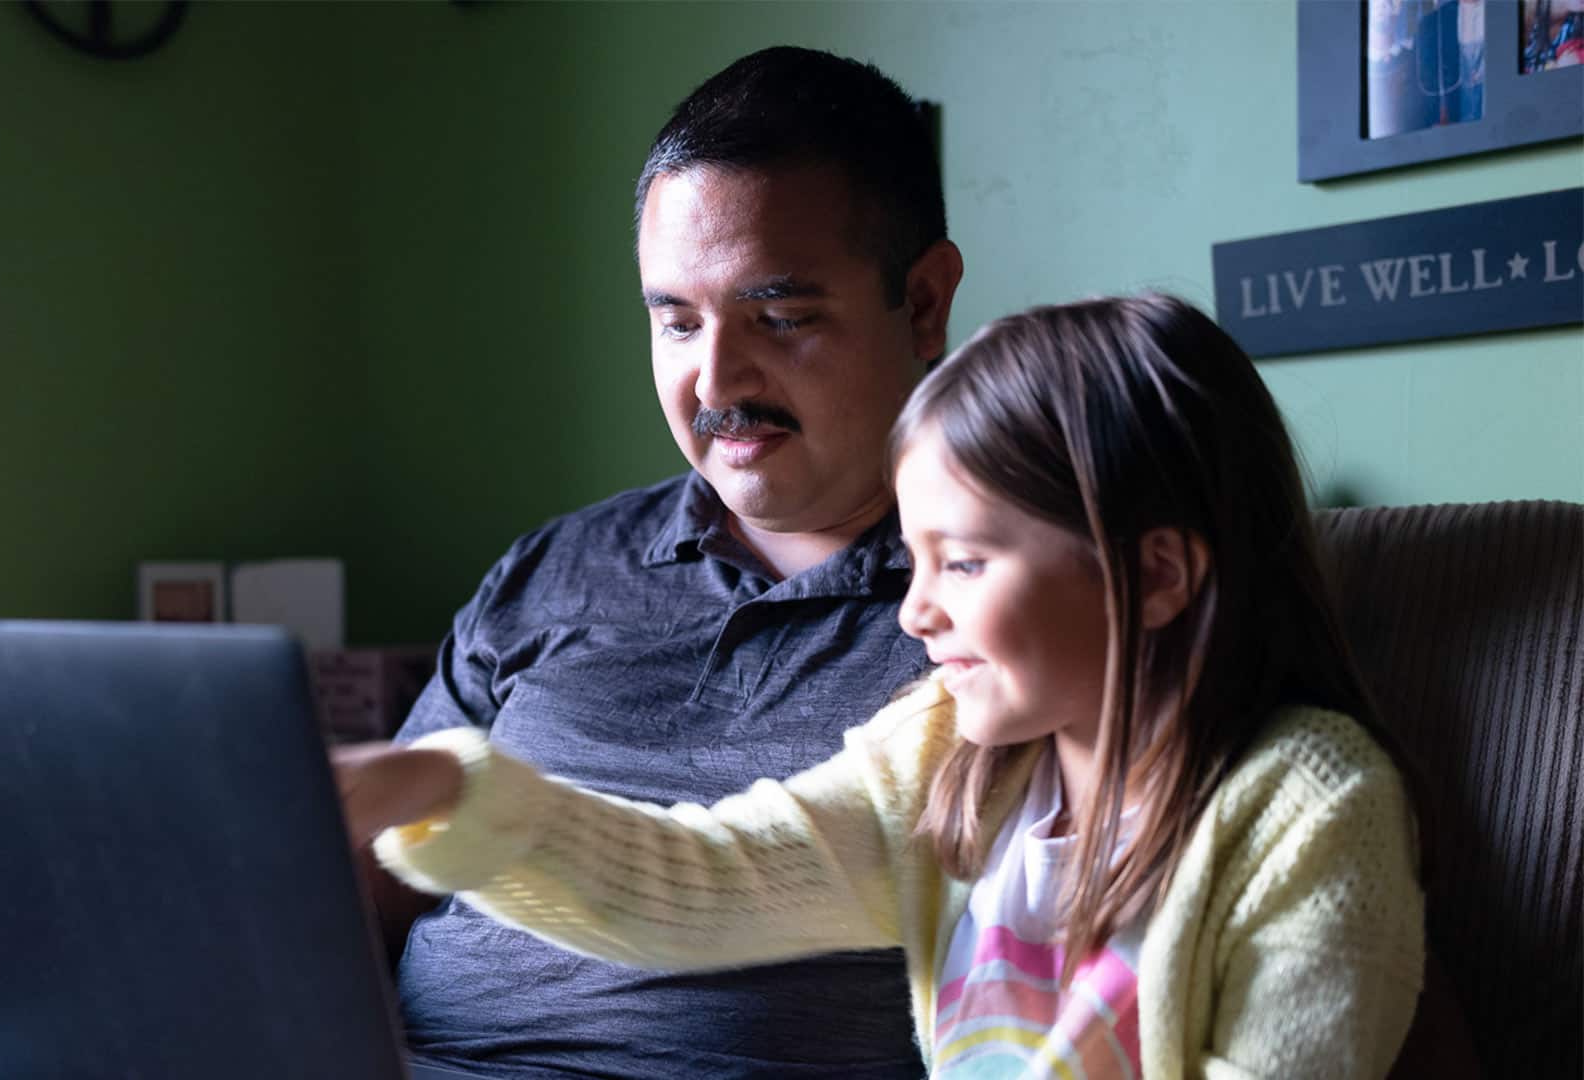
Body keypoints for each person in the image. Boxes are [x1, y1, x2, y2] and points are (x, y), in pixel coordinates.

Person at [341, 294, 1428, 1079]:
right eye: (916, 560)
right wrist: (439, 790)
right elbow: (704, 882)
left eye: (963, 562)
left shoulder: (1310, 807)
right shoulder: (952, 755)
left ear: (1153, 576)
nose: (916, 610)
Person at [367, 46, 963, 1079]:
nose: (716, 378)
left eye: (780, 316)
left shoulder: (1007, 603)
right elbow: (373, 877)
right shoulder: (558, 564)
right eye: (677, 321)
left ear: (920, 303)